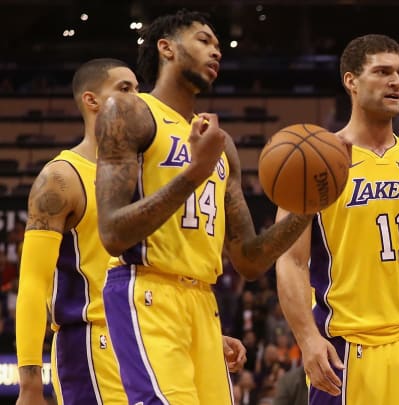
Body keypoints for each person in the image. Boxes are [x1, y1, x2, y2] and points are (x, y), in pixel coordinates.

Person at [94, 10, 312, 404]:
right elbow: (111, 233)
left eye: (218, 45)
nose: (216, 52)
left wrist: (310, 208)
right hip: (146, 288)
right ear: (167, 48)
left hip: (203, 302)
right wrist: (195, 172)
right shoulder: (129, 112)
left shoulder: (220, 143)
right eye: (203, 40)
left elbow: (248, 260)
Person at [275, 34, 399, 405]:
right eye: (382, 72)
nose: (396, 81)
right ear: (351, 81)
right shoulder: (316, 161)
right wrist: (307, 339)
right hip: (350, 349)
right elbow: (291, 260)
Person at [15, 58, 137, 405]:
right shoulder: (60, 178)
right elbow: (33, 283)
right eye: (124, 88)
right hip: (90, 341)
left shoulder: (142, 173)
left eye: (138, 90)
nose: (137, 99)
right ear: (91, 100)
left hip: (146, 336)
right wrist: (29, 383)